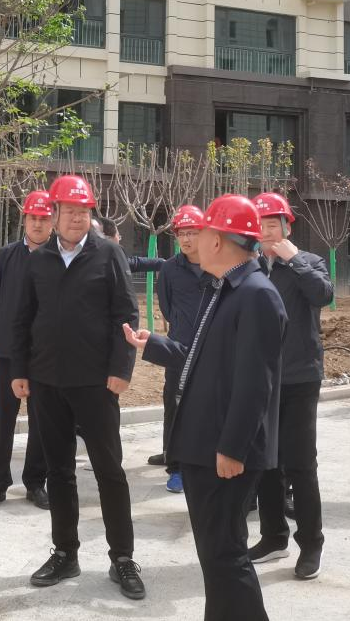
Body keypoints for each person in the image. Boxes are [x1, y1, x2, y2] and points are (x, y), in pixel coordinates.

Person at [124, 194, 286, 621]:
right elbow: (203, 357)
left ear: (218, 241)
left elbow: (255, 384)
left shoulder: (256, 295)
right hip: (205, 445)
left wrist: (233, 447)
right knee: (216, 557)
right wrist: (154, 345)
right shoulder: (225, 288)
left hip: (224, 451)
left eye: (204, 233)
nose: (193, 241)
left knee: (225, 556)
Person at [11, 174, 146, 600]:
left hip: (96, 383)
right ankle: (65, 553)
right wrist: (20, 370)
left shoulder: (108, 254)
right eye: (68, 211)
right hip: (47, 382)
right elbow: (22, 318)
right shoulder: (39, 260)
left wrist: (122, 369)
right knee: (58, 471)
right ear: (54, 214)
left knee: (110, 471)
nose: (76, 218)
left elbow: (126, 314)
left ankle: (123, 558)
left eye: (83, 212)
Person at [248, 192, 333, 580]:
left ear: (286, 228)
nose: (266, 232)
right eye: (260, 225)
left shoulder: (308, 262)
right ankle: (273, 537)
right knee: (266, 463)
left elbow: (323, 295)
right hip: (261, 378)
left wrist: (293, 259)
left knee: (300, 464)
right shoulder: (248, 266)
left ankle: (311, 543)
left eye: (273, 225)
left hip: (300, 377)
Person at [128, 205, 214, 493]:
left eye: (193, 232)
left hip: (212, 349)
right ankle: (175, 465)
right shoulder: (170, 270)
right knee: (174, 406)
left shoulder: (217, 266)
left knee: (209, 406)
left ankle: (202, 461)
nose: (187, 239)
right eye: (182, 233)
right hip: (178, 348)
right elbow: (166, 307)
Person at [0, 191, 52, 511]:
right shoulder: (8, 255)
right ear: (25, 220)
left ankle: (36, 482)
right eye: (33, 218)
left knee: (41, 421)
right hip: (8, 352)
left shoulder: (59, 255)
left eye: (44, 218)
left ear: (52, 221)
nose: (38, 224)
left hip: (44, 354)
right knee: (4, 419)